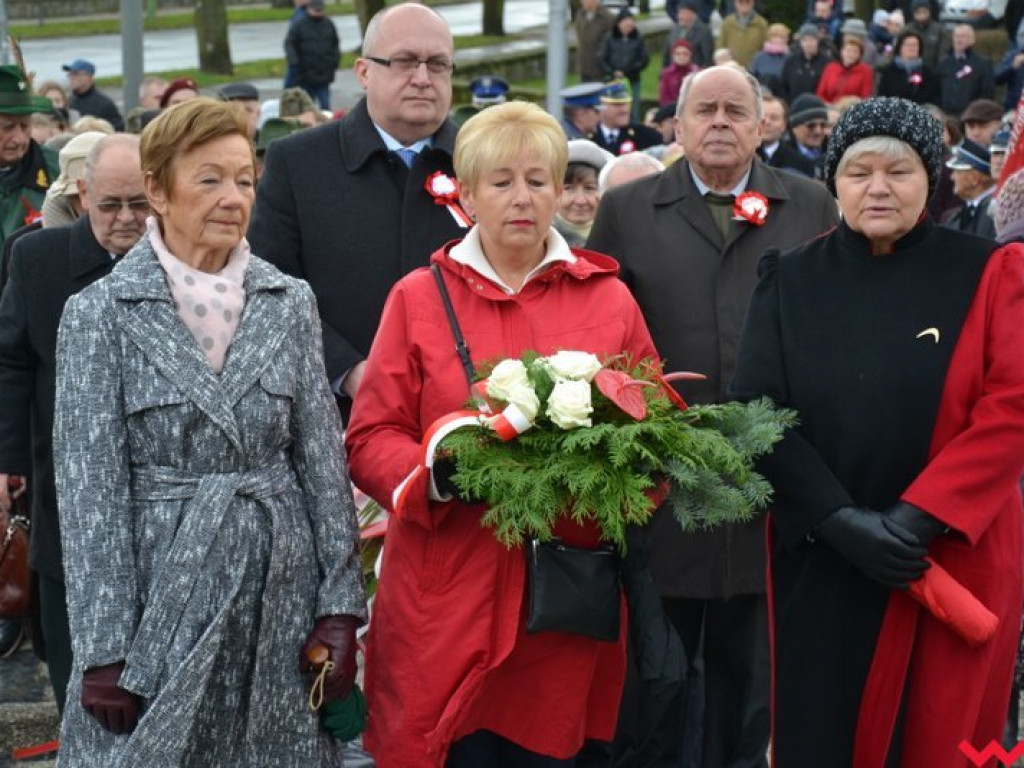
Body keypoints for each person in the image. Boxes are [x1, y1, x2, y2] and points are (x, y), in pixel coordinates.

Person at [52, 97, 366, 765]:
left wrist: (339, 607)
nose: (233, 197)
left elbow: (320, 463)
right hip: (158, 611)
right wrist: (104, 648)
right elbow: (89, 493)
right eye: (210, 179)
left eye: (244, 179)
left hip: (279, 605)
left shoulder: (288, 301)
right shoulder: (99, 313)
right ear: (158, 191)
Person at [345, 99, 658, 766]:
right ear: (465, 194)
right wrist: (434, 472)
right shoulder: (418, 298)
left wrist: (609, 476)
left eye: (539, 181)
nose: (523, 198)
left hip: (563, 603)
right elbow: (371, 434)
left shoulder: (609, 298)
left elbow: (653, 432)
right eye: (502, 182)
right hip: (446, 591)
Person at [730, 95, 1024, 767]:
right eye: (860, 171)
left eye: (900, 171)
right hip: (824, 554)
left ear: (933, 178)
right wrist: (839, 522)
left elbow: (1013, 406)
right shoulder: (789, 276)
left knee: (938, 739)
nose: (879, 188)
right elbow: (753, 408)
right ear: (834, 181)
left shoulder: (990, 270)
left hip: (947, 556)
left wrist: (913, 521)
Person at [587, 65, 838, 767]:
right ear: (678, 126)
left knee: (750, 684)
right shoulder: (629, 210)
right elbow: (600, 334)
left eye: (737, 110)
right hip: (663, 491)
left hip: (770, 491)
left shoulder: (812, 204)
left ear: (764, 125)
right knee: (656, 679)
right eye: (705, 110)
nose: (720, 122)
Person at [248, 3, 467, 416]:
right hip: (336, 417)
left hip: (472, 417)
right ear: (364, 72)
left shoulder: (485, 162)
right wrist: (347, 371)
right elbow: (266, 288)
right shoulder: (298, 163)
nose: (423, 79)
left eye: (438, 65)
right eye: (404, 62)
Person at [0, 134, 147, 711]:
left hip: (163, 495)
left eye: (140, 204)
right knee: (76, 667)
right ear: (83, 194)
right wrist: (7, 464)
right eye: (110, 205)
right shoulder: (36, 258)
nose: (127, 219)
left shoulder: (189, 259)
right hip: (65, 497)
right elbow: (9, 361)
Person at [555, 138, 613, 246]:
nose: (580, 200)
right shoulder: (541, 240)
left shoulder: (617, 236)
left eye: (589, 188)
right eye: (569, 188)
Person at [284, 0, 340, 110]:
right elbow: (290, 44)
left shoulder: (329, 24)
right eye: (316, 10)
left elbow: (335, 45)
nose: (318, 13)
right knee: (308, 107)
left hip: (324, 74)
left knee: (325, 106)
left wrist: (334, 63)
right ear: (309, 9)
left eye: (320, 10)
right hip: (305, 74)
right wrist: (294, 62)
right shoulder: (299, 25)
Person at [598, 10, 651, 124]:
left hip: (633, 80)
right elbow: (602, 57)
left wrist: (630, 71)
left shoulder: (638, 37)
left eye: (631, 24)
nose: (629, 27)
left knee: (633, 108)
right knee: (611, 106)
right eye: (626, 24)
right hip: (612, 80)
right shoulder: (610, 37)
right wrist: (612, 72)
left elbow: (644, 59)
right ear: (619, 23)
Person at [936, 24, 995, 118]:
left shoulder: (982, 64)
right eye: (956, 36)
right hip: (946, 117)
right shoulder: (943, 64)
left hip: (971, 117)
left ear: (972, 40)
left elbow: (987, 92)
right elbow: (936, 91)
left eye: (963, 36)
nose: (959, 40)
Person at [942, 138, 997, 238]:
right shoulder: (956, 216)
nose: (952, 177)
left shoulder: (994, 213)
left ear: (975, 178)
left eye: (957, 172)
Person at [589, 81, 663, 156]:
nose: (624, 110)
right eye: (617, 105)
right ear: (601, 107)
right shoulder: (589, 136)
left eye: (626, 104)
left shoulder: (644, 136)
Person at [758, 93, 816, 177]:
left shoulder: (800, 163)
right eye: (762, 117)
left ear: (784, 125)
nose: (767, 122)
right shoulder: (742, 156)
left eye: (774, 118)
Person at [877, 30, 940, 105]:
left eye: (915, 45)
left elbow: (931, 95)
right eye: (908, 45)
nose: (912, 48)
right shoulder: (889, 70)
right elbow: (882, 95)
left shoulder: (926, 71)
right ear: (900, 47)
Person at [63, 59, 124, 132]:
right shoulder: (68, 101)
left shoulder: (104, 104)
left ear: (89, 77)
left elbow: (118, 129)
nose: (72, 77)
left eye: (76, 74)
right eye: (70, 74)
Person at [778, 24, 829, 103]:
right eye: (805, 40)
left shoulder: (827, 62)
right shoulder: (791, 61)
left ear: (817, 41)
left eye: (812, 39)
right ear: (800, 42)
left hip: (816, 106)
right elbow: (783, 85)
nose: (809, 44)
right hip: (792, 105)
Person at [816, 35, 874, 103]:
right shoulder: (830, 68)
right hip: (829, 108)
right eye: (848, 50)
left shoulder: (865, 71)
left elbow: (866, 97)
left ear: (859, 55)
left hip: (852, 109)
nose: (851, 54)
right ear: (842, 51)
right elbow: (820, 93)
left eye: (855, 51)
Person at [787, 93, 829, 179]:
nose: (818, 131)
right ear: (795, 128)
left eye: (823, 125)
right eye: (811, 125)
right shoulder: (782, 156)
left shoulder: (833, 153)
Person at [717, 0, 768, 68]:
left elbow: (764, 50)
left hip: (753, 70)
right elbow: (720, 47)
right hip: (731, 69)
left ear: (753, 3)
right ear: (735, 3)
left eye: (747, 1)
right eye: (741, 2)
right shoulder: (727, 23)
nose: (744, 4)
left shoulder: (761, 24)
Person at [664, 0, 714, 68]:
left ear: (693, 15)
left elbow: (708, 59)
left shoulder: (704, 32)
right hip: (674, 74)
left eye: (683, 13)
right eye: (679, 13)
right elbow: (666, 56)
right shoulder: (674, 31)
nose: (680, 16)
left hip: (695, 73)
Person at [576, 0, 616, 82]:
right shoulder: (580, 15)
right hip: (584, 71)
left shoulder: (608, 18)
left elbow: (613, 46)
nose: (582, 2)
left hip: (601, 72)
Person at [749, 23, 790, 95]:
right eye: (776, 37)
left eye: (783, 37)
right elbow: (751, 77)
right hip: (761, 95)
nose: (779, 40)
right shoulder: (759, 57)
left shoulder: (790, 58)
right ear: (770, 38)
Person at [906, 0, 949, 69]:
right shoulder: (907, 30)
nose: (922, 15)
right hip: (910, 69)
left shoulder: (939, 30)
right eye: (918, 12)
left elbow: (943, 54)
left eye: (924, 12)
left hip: (932, 71)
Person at [660, 39, 699, 107]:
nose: (681, 57)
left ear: (690, 55)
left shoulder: (696, 73)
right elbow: (664, 96)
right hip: (671, 109)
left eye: (685, 54)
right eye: (678, 54)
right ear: (673, 56)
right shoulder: (667, 73)